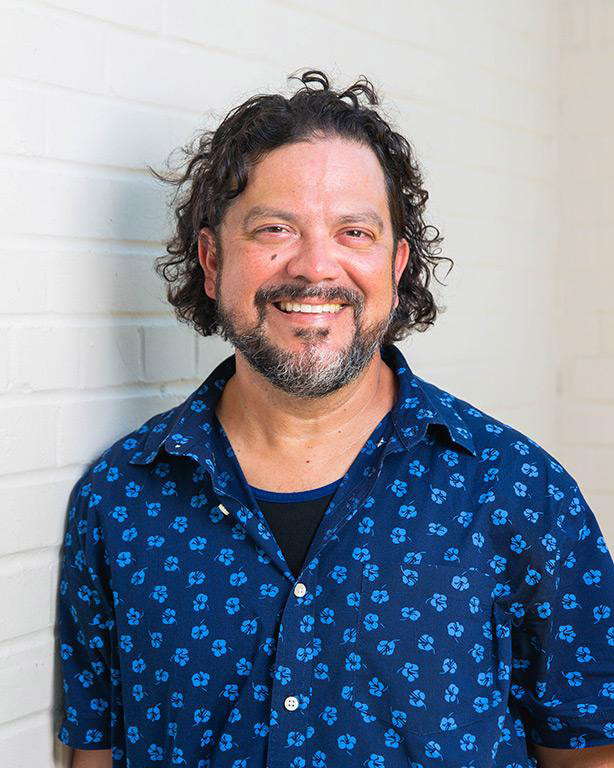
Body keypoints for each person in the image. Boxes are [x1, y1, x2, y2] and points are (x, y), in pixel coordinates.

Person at [56, 70, 614, 768]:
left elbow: (588, 751)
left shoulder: (522, 492)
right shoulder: (118, 500)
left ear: (396, 264)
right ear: (211, 259)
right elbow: (95, 754)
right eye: (274, 229)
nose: (316, 266)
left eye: (354, 232)